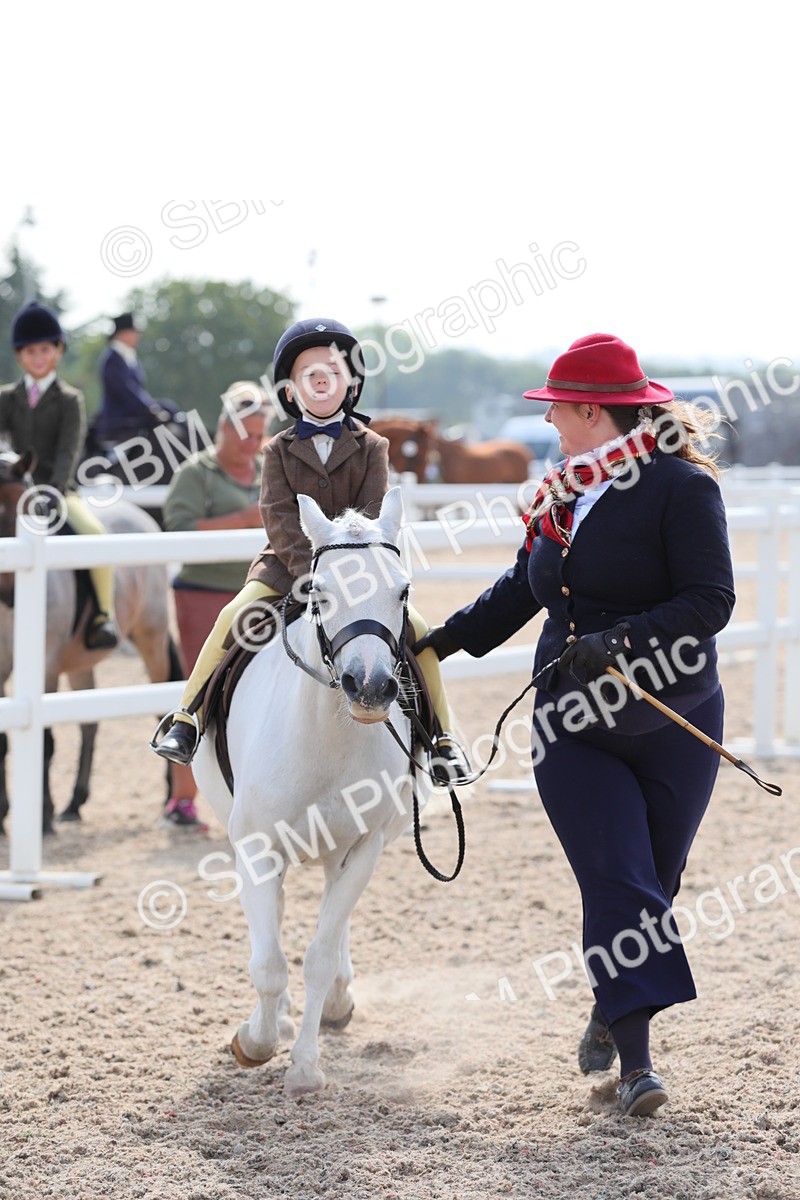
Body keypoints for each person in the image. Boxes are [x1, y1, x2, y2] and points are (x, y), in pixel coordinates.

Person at [415, 333, 736, 1117]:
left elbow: (710, 601)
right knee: (618, 879)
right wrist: (441, 641)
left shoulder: (680, 490)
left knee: (655, 884)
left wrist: (620, 641)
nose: (550, 421)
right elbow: (523, 589)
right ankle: (637, 1067)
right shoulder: (562, 494)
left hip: (673, 716)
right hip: (572, 720)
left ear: (592, 411)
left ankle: (610, 1000)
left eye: (557, 407)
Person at [151, 317, 471, 784]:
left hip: (360, 572)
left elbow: (377, 515)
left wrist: (342, 574)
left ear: (351, 385)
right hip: (284, 566)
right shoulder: (277, 450)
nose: (321, 380)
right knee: (233, 617)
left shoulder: (373, 447)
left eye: (332, 372)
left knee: (417, 632)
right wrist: (312, 573)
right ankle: (189, 716)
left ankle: (440, 738)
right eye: (309, 374)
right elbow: (277, 517)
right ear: (289, 392)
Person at [159, 381, 268, 829]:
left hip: (258, 592)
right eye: (245, 432)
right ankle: (182, 798)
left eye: (259, 435)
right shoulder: (196, 472)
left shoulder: (268, 470)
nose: (252, 443)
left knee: (260, 691)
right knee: (199, 688)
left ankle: (257, 791)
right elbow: (177, 528)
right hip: (202, 593)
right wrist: (240, 522)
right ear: (223, 427)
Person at [0, 302, 118, 649]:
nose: (38, 357)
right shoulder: (6, 397)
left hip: (58, 490)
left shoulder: (70, 400)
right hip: (9, 490)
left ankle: (103, 615)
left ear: (58, 352)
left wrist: (50, 491)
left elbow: (69, 449)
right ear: (20, 356)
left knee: (95, 535)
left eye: (45, 350)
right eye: (30, 351)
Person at [92, 312, 179, 445]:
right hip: (120, 418)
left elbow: (138, 390)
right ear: (124, 334)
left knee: (168, 407)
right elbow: (126, 391)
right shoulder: (112, 360)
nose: (138, 336)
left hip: (133, 412)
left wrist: (153, 406)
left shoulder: (130, 357)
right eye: (134, 332)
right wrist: (149, 409)